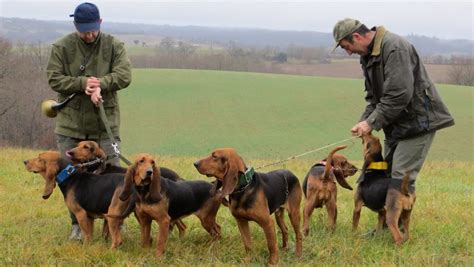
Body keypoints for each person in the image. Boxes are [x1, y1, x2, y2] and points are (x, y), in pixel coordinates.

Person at [332, 18, 454, 191]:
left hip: (417, 123)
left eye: (346, 47)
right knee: (384, 174)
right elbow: (374, 98)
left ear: (357, 36)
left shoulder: (394, 48)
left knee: (400, 181)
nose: (348, 53)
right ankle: (388, 217)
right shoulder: (367, 56)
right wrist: (364, 121)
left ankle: (399, 218)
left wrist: (371, 123)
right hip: (396, 124)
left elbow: (399, 95)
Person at [46, 2, 132, 240]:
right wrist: (82, 84)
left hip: (104, 124)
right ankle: (77, 224)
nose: (89, 35)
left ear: (100, 23)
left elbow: (125, 75)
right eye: (84, 30)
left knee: (112, 174)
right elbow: (54, 79)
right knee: (69, 175)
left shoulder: (114, 45)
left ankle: (115, 223)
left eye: (93, 30)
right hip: (70, 124)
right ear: (76, 26)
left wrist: (100, 84)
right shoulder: (61, 47)